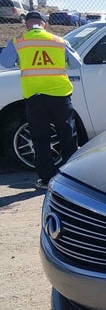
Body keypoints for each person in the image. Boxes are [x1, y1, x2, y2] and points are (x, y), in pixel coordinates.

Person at [0, 10, 82, 189]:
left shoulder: (18, 41)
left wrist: (19, 61)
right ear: (44, 23)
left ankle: (46, 179)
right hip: (60, 95)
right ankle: (72, 179)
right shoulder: (59, 41)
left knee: (40, 138)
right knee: (67, 135)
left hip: (35, 96)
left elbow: (5, 63)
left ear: (27, 24)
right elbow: (76, 63)